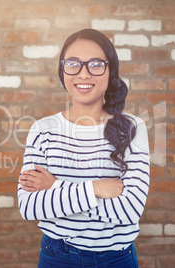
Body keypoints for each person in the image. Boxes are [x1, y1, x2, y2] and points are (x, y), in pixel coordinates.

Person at [17, 29, 150, 268]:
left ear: (111, 70)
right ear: (62, 70)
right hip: (56, 257)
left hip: (115, 260)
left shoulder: (132, 128)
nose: (83, 73)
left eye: (96, 64)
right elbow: (30, 206)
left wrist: (55, 186)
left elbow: (129, 211)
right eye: (73, 64)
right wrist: (97, 188)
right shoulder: (42, 129)